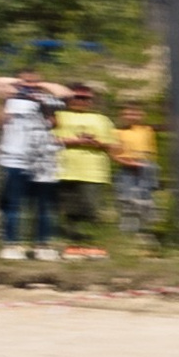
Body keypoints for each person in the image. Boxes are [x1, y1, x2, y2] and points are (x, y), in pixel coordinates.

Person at [0, 73, 58, 257]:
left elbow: (64, 94)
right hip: (14, 159)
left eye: (34, 81)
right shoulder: (9, 100)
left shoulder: (46, 100)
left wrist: (41, 87)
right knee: (13, 204)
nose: (30, 85)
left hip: (42, 161)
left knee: (43, 206)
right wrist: (18, 85)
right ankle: (11, 244)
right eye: (26, 81)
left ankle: (41, 245)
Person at [53, 80, 115, 250]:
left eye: (86, 98)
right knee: (67, 207)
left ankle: (90, 239)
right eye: (77, 97)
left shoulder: (102, 119)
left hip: (92, 171)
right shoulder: (58, 116)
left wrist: (96, 143)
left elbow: (112, 144)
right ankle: (70, 239)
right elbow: (48, 139)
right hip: (63, 169)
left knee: (90, 207)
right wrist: (75, 140)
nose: (81, 101)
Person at [110, 99, 160, 238]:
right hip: (127, 168)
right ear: (122, 115)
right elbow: (113, 154)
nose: (131, 116)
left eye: (135, 113)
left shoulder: (147, 130)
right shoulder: (117, 131)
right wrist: (129, 162)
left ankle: (145, 230)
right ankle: (128, 232)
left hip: (146, 167)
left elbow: (152, 151)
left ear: (141, 115)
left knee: (145, 199)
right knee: (127, 199)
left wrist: (149, 166)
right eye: (127, 113)